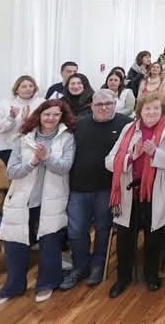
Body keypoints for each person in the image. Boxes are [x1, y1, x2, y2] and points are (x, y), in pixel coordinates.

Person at [0, 100, 76, 307]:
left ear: (61, 117)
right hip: (22, 200)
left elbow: (65, 167)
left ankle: (47, 283)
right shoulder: (22, 139)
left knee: (50, 244)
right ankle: (13, 286)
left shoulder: (67, 138)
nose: (51, 119)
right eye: (47, 114)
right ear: (39, 115)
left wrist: (47, 158)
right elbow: (11, 171)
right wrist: (33, 162)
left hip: (52, 200)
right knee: (16, 243)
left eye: (56, 115)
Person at [104, 91, 165, 297]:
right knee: (125, 239)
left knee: (154, 237)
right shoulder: (128, 129)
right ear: (140, 111)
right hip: (129, 193)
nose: (152, 112)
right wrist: (131, 157)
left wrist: (155, 153)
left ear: (162, 110)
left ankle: (151, 276)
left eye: (156, 108)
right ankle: (123, 278)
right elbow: (109, 161)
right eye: (148, 108)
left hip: (157, 193)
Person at [60, 90, 131, 290]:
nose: (104, 107)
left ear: (115, 104)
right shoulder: (78, 125)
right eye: (99, 104)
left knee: (102, 229)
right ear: (91, 106)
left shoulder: (125, 124)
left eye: (108, 103)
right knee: (76, 230)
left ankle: (98, 265)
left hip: (107, 188)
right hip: (78, 188)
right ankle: (79, 266)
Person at [0, 75, 45, 164]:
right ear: (16, 89)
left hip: (33, 149)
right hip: (8, 149)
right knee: (6, 177)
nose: (28, 89)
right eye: (24, 86)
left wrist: (29, 123)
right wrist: (11, 119)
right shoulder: (4, 104)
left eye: (31, 86)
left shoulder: (42, 102)